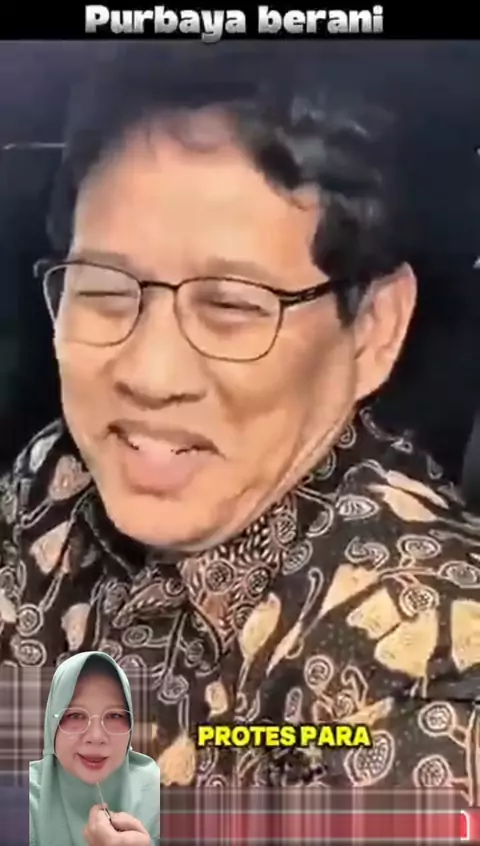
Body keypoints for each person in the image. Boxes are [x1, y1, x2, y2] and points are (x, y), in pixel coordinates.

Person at [0, 42, 479, 797]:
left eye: (231, 307)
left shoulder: (426, 676)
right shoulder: (54, 477)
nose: (149, 375)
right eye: (103, 290)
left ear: (374, 328)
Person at [29, 651, 160, 846]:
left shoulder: (159, 791)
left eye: (115, 716)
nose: (96, 737)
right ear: (51, 724)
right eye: (75, 716)